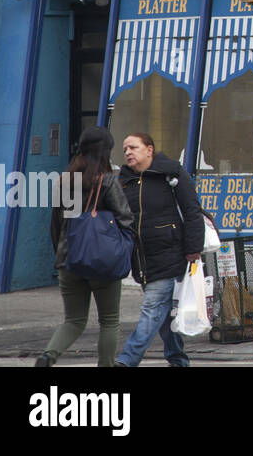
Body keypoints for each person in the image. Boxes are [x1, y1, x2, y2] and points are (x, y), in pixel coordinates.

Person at [37, 127, 135, 367]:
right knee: (109, 320)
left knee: (73, 320)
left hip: (69, 261)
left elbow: (56, 224)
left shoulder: (63, 182)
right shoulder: (109, 182)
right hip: (103, 261)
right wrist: (122, 249)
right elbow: (126, 220)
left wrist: (61, 256)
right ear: (104, 153)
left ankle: (48, 356)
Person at [115, 132, 204, 367]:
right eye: (125, 149)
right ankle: (178, 360)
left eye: (133, 147)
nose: (128, 153)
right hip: (141, 258)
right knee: (163, 315)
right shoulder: (123, 182)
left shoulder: (171, 174)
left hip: (170, 254)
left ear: (149, 150)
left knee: (152, 309)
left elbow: (192, 210)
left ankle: (127, 360)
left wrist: (193, 249)